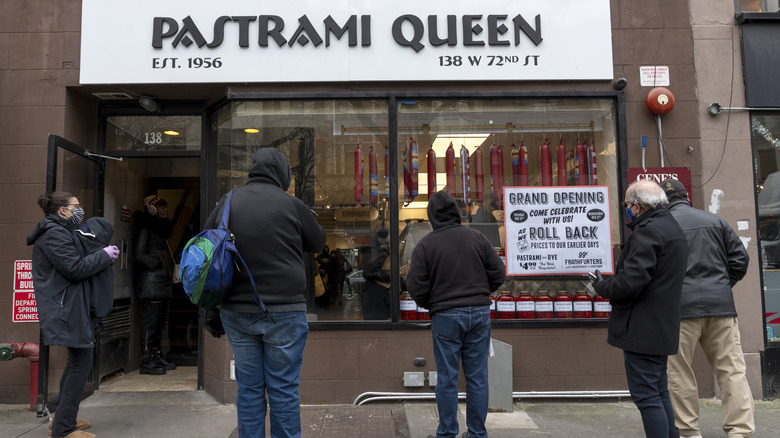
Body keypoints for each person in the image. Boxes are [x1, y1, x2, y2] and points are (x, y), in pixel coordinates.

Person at [202, 148, 326, 438]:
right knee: (283, 390)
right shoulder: (292, 204)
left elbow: (207, 246)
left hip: (236, 312)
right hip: (285, 313)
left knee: (249, 389)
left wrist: (209, 308)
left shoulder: (228, 201)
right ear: (283, 174)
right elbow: (318, 241)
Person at [591, 180, 688, 438]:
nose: (627, 210)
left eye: (627, 205)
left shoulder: (648, 232)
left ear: (637, 206)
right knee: (659, 390)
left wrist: (601, 285)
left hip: (642, 328)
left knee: (646, 395)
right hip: (662, 325)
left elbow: (629, 283)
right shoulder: (672, 228)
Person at [406, 190, 506, 438]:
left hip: (446, 316)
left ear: (431, 217)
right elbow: (498, 273)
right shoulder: (477, 237)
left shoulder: (426, 245)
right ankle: (477, 433)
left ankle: (447, 432)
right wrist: (480, 293)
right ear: (456, 213)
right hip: (479, 313)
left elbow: (415, 286)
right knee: (478, 377)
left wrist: (433, 303)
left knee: (447, 378)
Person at [661, 178, 754, 438]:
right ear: (686, 197)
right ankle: (740, 431)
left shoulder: (661, 226)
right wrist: (722, 284)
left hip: (678, 311)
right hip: (720, 307)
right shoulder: (715, 221)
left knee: (679, 372)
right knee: (732, 371)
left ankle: (688, 431)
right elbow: (740, 259)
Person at [27, 191, 118, 438]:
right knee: (80, 363)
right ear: (62, 210)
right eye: (76, 206)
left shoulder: (61, 231)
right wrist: (104, 255)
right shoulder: (54, 234)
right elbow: (75, 268)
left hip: (70, 306)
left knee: (76, 362)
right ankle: (64, 428)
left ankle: (61, 419)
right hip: (66, 308)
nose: (80, 210)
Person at [134, 195, 177, 375]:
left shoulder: (160, 230)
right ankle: (147, 359)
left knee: (158, 324)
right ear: (151, 209)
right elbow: (139, 254)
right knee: (151, 324)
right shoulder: (146, 228)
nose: (164, 211)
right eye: (160, 207)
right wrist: (158, 263)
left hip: (161, 282)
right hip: (152, 283)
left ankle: (156, 354)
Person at [361, 226, 392, 320]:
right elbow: (367, 273)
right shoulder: (375, 250)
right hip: (375, 296)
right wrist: (391, 275)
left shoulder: (384, 248)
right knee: (377, 323)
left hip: (380, 294)